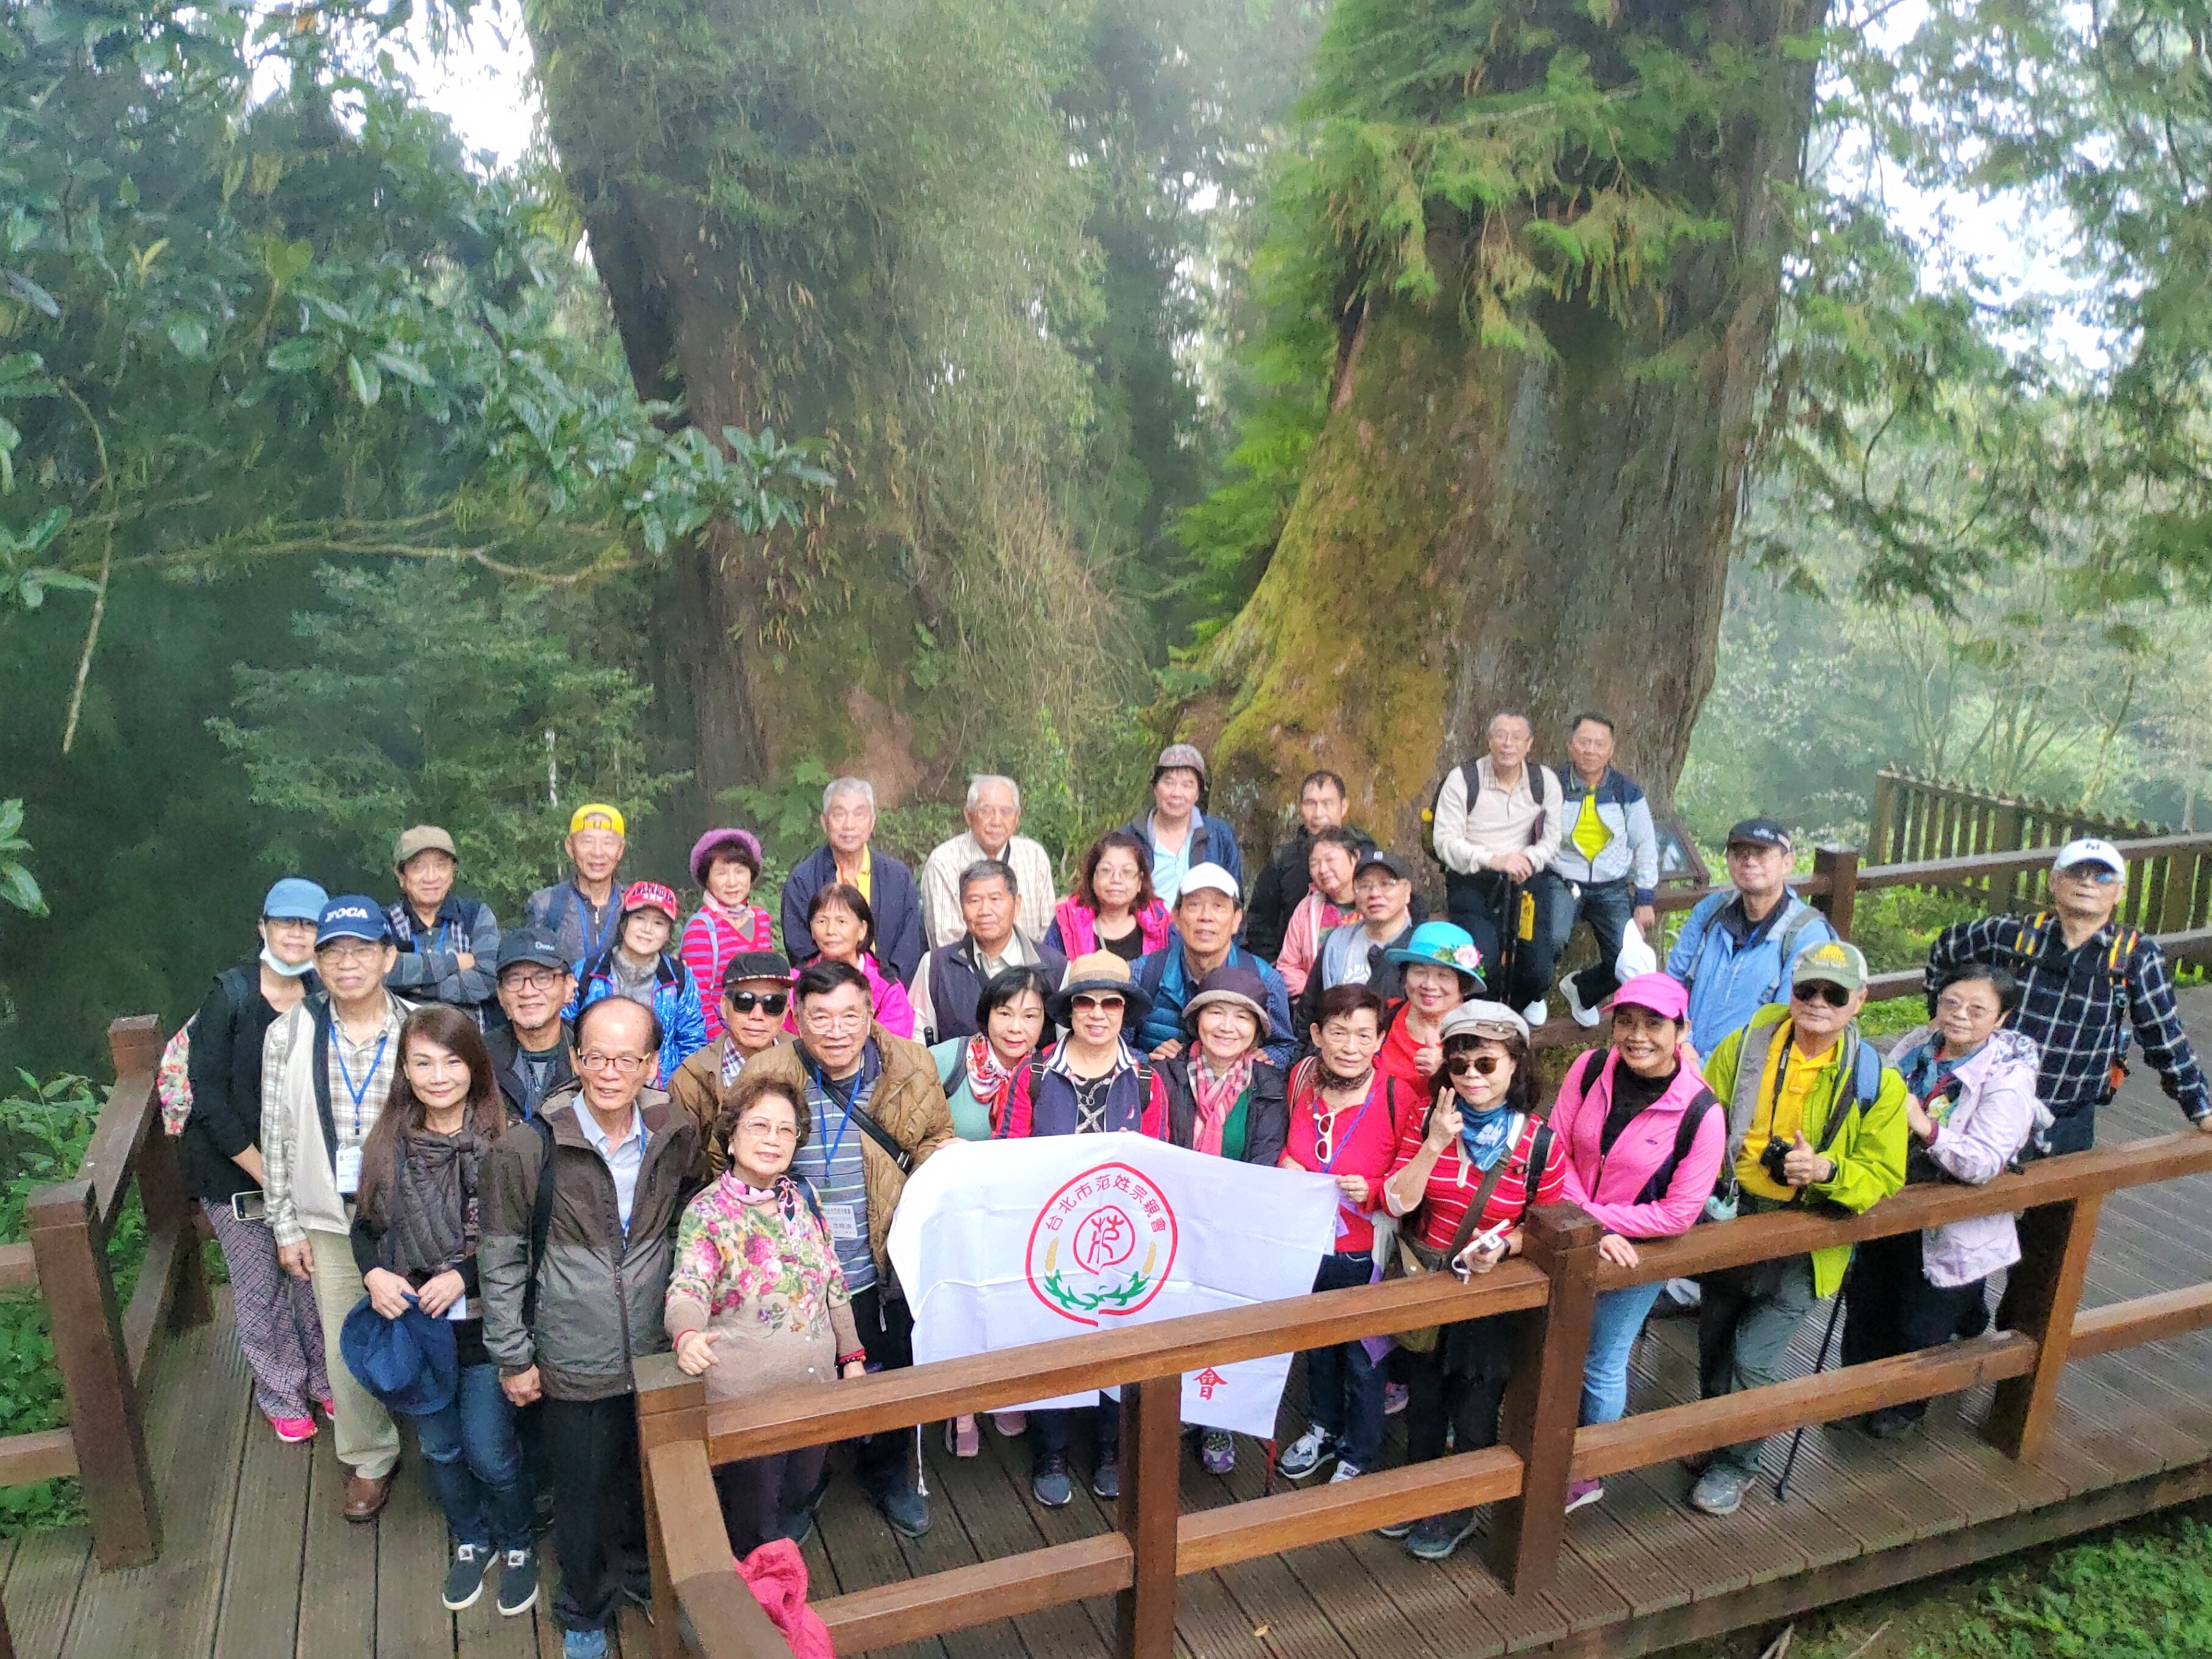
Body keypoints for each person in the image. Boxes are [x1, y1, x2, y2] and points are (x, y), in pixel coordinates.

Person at [479, 996, 701, 1659]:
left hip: (657, 1347)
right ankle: (583, 1603)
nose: (610, 1071)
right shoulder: (527, 1149)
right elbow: (500, 1258)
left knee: (648, 1480)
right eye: (596, 1056)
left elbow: (693, 1222)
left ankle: (643, 1577)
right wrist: (514, 1356)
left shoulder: (674, 1133)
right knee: (578, 1491)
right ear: (576, 1058)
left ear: (651, 1063)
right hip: (572, 1353)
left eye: (627, 1057)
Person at [1687, 940, 1908, 1518]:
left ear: (1860, 1001)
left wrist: (1827, 1169)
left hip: (1808, 1229)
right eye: (1806, 989)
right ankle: (1715, 1439)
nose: (1817, 1002)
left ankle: (1739, 1463)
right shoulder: (1749, 1042)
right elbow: (1704, 1109)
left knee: (1752, 1357)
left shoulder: (1876, 1081)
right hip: (1734, 1214)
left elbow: (1885, 1171)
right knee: (1714, 1339)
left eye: (1833, 994)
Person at [738, 960, 955, 1539]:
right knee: (798, 1381)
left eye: (849, 1015)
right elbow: (726, 1146)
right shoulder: (768, 1069)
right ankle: (800, 1487)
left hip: (880, 1257)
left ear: (870, 1014)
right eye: (821, 1017)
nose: (836, 1030)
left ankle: (891, 1474)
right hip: (794, 1270)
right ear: (799, 1019)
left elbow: (936, 1136)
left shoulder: (911, 1065)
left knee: (890, 1373)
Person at [347, 1006, 536, 1619]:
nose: (438, 1074)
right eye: (423, 1061)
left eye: (452, 1060)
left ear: (475, 1065)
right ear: (406, 1067)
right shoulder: (387, 1142)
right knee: (440, 1448)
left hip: (484, 1322)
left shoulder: (505, 1140)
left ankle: (517, 1540)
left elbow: (522, 1236)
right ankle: (470, 1534)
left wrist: (461, 1273)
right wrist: (374, 1271)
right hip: (416, 1328)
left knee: (488, 1447)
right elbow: (365, 1226)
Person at [1381, 1002, 1567, 1562]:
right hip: (1429, 1282)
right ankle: (1420, 1491)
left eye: (1487, 1062)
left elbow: (1549, 1222)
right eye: (1460, 1065)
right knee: (1425, 1397)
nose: (1472, 1077)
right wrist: (1434, 1142)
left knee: (1476, 1407)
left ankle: (1458, 1506)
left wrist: (1506, 1244)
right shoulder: (1426, 1117)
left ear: (1516, 1065)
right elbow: (1396, 1199)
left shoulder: (1539, 1142)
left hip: (1490, 1296)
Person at [1542, 973, 1725, 1513]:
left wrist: (1592, 1223)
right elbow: (1555, 1151)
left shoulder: (1701, 1112)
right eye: (1626, 1020)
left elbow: (1679, 1211)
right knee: (1553, 1342)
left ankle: (1587, 1468)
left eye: (1653, 1023)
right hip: (1575, 1233)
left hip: (1636, 1251)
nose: (1637, 1034)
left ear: (1681, 1029)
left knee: (1602, 1356)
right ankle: (1549, 1444)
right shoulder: (1590, 1068)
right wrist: (1590, 1226)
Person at [998, 953, 1173, 1506]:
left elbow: (1160, 1164)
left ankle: (1109, 1448)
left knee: (1118, 1341)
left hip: (1123, 1241)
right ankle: (1051, 1449)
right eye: (1085, 1001)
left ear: (1127, 1011)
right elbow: (1008, 1159)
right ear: (1069, 1009)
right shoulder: (1030, 1075)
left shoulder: (1146, 1079)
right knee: (1052, 1342)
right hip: (1048, 1239)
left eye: (1111, 1002)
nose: (1097, 1014)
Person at [667, 1075, 868, 1555]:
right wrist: (687, 1333)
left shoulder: (802, 1196)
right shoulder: (708, 1211)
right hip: (747, 1401)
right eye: (758, 1126)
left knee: (802, 1486)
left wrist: (853, 1356)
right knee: (752, 1511)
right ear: (732, 1136)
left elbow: (833, 1281)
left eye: (785, 1129)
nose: (773, 1139)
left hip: (814, 1387)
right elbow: (689, 1284)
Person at [1843, 964, 2041, 1437]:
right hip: (1891, 1198)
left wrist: (1925, 1126)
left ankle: (1906, 1405)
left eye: (1978, 1009)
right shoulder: (1916, 1047)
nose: (1960, 1015)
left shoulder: (2008, 1079)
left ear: (2001, 1017)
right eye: (1952, 1002)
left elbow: (1985, 1162)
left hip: (1951, 1218)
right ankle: (1856, 1389)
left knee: (1921, 1318)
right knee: (1867, 1299)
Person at [261, 895, 411, 1520]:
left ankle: (449, 1440)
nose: (347, 963)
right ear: (316, 963)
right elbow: (276, 1132)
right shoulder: (291, 1030)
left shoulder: (421, 1023)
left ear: (388, 955)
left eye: (361, 948)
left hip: (413, 1208)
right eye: (333, 951)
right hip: (332, 1215)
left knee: (436, 1321)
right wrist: (284, 1223)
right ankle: (370, 1455)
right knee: (346, 1340)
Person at [1924, 838, 2210, 1153]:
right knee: (1968, 1194)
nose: (2088, 883)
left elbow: (2164, 1038)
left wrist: (2201, 1109)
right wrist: (1941, 1015)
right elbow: (1945, 948)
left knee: (2063, 1202)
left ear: (2119, 892)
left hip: (2071, 1115)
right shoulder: (2010, 936)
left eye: (2102, 877)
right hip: (1989, 1104)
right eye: (2076, 874)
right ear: (2054, 881)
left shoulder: (2134, 956)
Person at [182, 877, 333, 1445]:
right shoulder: (231, 995)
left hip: (307, 1169)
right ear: (263, 928)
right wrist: (266, 1173)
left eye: (309, 924)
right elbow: (208, 1097)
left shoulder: (325, 994)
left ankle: (325, 1380)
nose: (297, 933)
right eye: (286, 922)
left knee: (312, 1279)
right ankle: (281, 1391)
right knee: (260, 1286)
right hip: (234, 1170)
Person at [1158, 963, 1288, 1475]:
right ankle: (1171, 1409)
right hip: (1174, 1220)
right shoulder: (1163, 1073)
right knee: (1171, 1316)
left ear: (1258, 1029)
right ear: (1196, 1018)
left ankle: (1218, 1417)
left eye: (1243, 1017)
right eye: (1217, 1011)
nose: (1228, 1026)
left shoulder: (1270, 1085)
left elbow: (1266, 1154)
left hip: (1236, 1223)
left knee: (1225, 1320)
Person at [1275, 985, 1401, 1488]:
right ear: (1316, 1034)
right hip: (1309, 1242)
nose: (1350, 1045)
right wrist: (1286, 1165)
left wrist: (1370, 1188)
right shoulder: (1301, 1082)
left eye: (1364, 1034)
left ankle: (1360, 1450)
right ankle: (1323, 1427)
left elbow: (1412, 1176)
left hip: (1365, 1249)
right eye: (1338, 1031)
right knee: (1318, 1348)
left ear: (1380, 1040)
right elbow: (1285, 1146)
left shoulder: (1398, 1095)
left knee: (1364, 1355)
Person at [929, 963, 1054, 1456]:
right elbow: (904, 1116)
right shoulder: (949, 1058)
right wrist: (942, 1144)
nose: (1017, 1027)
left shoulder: (1050, 1070)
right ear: (986, 1014)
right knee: (962, 1300)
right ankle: (961, 1403)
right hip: (959, 1211)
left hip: (1019, 1214)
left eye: (1031, 1015)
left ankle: (1006, 1388)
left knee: (1011, 1302)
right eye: (1005, 1013)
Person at [1427, 712, 1564, 1026]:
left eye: (1517, 737)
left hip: (1525, 877)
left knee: (1539, 967)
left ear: (1529, 744)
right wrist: (1493, 859)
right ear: (1489, 740)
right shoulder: (1464, 780)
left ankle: (1515, 1010)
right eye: (1500, 735)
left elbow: (1554, 839)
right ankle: (1482, 1022)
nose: (1508, 743)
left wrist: (1528, 858)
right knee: (1483, 958)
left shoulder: (1544, 782)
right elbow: (1445, 841)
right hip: (1472, 878)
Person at [1665, 818, 1838, 1057]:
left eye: (1762, 853)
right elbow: (1672, 983)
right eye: (1740, 853)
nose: (1749, 861)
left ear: (1788, 862)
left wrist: (1711, 1067)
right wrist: (1684, 1042)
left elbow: (1785, 1020)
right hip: (1686, 1059)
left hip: (1749, 1074)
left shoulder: (1806, 933)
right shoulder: (1711, 911)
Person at [1550, 716, 1662, 1028]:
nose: (1591, 750)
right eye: (1584, 742)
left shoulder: (1626, 791)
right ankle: (1530, 997)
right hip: (1561, 878)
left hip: (1611, 885)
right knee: (1550, 939)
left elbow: (1645, 845)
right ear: (1571, 745)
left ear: (1611, 750)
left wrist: (1644, 898)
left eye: (1600, 744)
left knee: (1630, 961)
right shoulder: (1551, 785)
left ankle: (1583, 990)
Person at [1132, 865, 1294, 1067]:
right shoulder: (1143, 973)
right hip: (1159, 1092)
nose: (1206, 916)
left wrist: (1263, 1061)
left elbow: (1285, 1047)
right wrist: (1148, 1062)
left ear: (1236, 920)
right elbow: (1112, 1045)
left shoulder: (1264, 979)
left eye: (1218, 906)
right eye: (1194, 905)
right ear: (1176, 917)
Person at [780, 777, 926, 982]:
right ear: (825, 822)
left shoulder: (898, 877)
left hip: (887, 996)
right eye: (839, 814)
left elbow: (908, 949)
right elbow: (802, 951)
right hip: (825, 995)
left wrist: (884, 992)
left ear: (872, 821)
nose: (849, 825)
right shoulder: (802, 881)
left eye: (859, 814)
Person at [909, 860, 1066, 1045]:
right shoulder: (935, 966)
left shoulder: (1055, 968)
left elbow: (1068, 1046)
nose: (985, 911)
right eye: (974, 901)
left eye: (995, 899)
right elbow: (916, 1042)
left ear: (1017, 904)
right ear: (962, 908)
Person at [570, 882, 709, 1086]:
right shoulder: (586, 974)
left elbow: (692, 1042)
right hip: (597, 1085)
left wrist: (675, 1091)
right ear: (624, 924)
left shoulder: (679, 979)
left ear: (669, 933)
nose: (647, 930)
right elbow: (566, 1032)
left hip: (658, 1094)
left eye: (659, 923)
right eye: (640, 918)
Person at [672, 951, 794, 1176]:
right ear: (724, 1006)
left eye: (773, 1004)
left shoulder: (806, 1062)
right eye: (744, 1002)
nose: (758, 1015)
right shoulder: (691, 1078)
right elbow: (683, 1169)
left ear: (786, 1012)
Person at [1246, 772, 1376, 961]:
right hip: (1296, 966)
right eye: (1310, 804)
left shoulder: (1366, 854)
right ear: (1301, 807)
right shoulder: (1284, 860)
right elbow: (1260, 921)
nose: (1318, 814)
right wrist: (1274, 967)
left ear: (1344, 806)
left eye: (1327, 803)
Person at [919, 775, 1058, 947]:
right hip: (966, 972)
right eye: (986, 811)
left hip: (1030, 972)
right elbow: (947, 945)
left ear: (1017, 818)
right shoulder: (943, 862)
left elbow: (1048, 933)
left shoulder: (1035, 857)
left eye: (1006, 812)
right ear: (969, 816)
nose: (997, 821)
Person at [1294, 851, 1420, 1036]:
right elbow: (1310, 1010)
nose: (1375, 894)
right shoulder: (1337, 943)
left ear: (1407, 891)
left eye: (1386, 884)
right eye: (1365, 885)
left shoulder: (1420, 949)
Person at [383, 825, 500, 1020]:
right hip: (402, 1042)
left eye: (441, 865)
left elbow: (489, 980)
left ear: (452, 871)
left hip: (471, 1042)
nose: (431, 877)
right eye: (419, 866)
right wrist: (456, 962)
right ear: (401, 875)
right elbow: (381, 972)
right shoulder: (384, 922)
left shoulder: (475, 915)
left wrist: (416, 985)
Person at [679, 829, 776, 1044]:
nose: (732, 882)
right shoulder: (702, 928)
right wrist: (725, 1046)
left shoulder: (761, 919)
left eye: (740, 871)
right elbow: (698, 1000)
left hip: (759, 1035)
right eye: (721, 873)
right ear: (708, 880)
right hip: (721, 1045)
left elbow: (768, 982)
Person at [1373, 922, 1487, 1104]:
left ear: (1463, 986)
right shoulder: (1383, 1015)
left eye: (1444, 975)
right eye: (1419, 972)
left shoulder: (1480, 1034)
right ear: (1404, 977)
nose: (1429, 985)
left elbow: (1491, 1107)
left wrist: (1448, 1073)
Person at [1121, 743, 1243, 908]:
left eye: (1187, 785)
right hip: (1145, 931)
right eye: (1169, 783)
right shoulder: (1129, 839)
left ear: (1198, 793)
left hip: (1201, 931)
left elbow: (1235, 903)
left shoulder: (1219, 837)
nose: (1177, 793)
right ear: (1155, 789)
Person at [795, 882, 915, 1039]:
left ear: (862, 930)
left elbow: (895, 1050)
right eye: (822, 921)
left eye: (841, 922)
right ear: (811, 929)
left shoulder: (888, 989)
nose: (831, 931)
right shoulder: (794, 982)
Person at [523, 804, 629, 970]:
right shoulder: (545, 905)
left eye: (608, 842)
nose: (598, 852)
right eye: (587, 841)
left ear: (620, 850)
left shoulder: (635, 904)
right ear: (570, 847)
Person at [486, 930, 577, 1119]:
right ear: (501, 995)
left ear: (568, 986)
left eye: (542, 978)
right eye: (514, 980)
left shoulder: (592, 1055)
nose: (528, 992)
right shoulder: (479, 1057)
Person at [1046, 829, 1171, 963]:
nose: (1116, 879)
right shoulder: (1067, 924)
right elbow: (1048, 976)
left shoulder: (1160, 925)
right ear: (1092, 879)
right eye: (1106, 871)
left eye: (1127, 872)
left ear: (1140, 882)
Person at [1276, 827, 1364, 999]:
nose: (1323, 869)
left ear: (1355, 858)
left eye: (1330, 860)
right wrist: (1315, 996)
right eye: (1315, 863)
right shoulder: (1307, 909)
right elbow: (1288, 965)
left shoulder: (1373, 905)